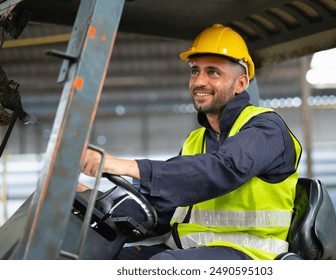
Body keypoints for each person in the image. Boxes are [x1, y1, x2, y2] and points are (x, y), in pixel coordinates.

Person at [79, 23, 302, 260]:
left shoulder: (266, 128)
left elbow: (224, 168)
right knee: (102, 259)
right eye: (195, 71)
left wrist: (125, 166)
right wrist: (96, 203)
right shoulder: (196, 141)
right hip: (190, 253)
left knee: (163, 268)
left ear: (241, 83)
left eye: (213, 72)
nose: (199, 82)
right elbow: (164, 207)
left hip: (250, 257)